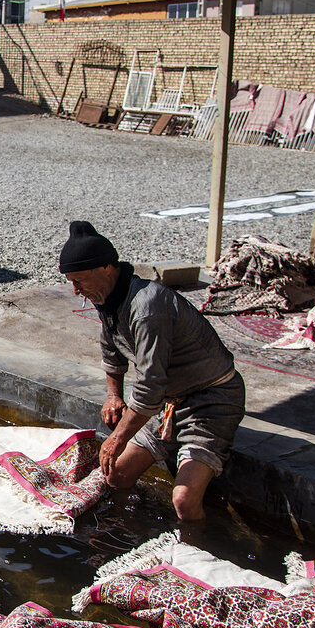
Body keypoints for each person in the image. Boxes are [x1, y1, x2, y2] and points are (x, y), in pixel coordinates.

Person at [60, 221, 245, 522]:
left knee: (183, 500)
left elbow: (150, 386)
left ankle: (195, 551)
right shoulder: (106, 297)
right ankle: (128, 528)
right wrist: (113, 395)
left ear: (107, 268)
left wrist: (118, 437)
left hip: (211, 399)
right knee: (116, 474)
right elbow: (111, 351)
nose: (75, 290)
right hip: (168, 405)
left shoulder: (147, 307)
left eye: (79, 280)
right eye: (72, 281)